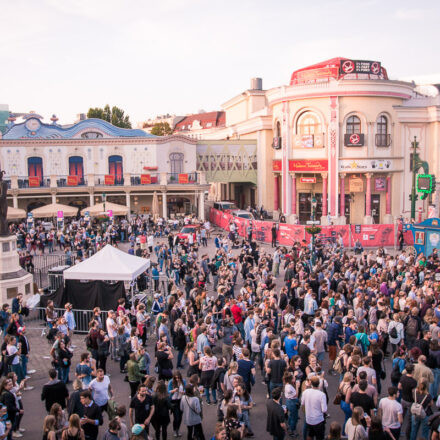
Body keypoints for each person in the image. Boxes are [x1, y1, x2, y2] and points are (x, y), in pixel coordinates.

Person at [300, 375, 327, 440]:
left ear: (311, 383)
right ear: (318, 384)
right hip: (318, 420)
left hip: (309, 418)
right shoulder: (321, 394)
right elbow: (324, 410)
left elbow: (302, 403)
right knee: (319, 437)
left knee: (310, 434)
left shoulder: (305, 392)